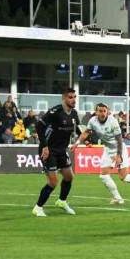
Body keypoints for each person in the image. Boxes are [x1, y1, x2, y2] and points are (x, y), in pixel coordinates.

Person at [71, 103, 130, 205]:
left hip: (119, 149)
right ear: (96, 112)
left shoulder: (112, 121)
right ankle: (118, 198)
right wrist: (76, 143)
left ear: (107, 111)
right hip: (107, 150)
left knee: (123, 177)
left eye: (104, 111)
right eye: (100, 111)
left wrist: (118, 155)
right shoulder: (92, 121)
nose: (103, 113)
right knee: (103, 176)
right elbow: (86, 132)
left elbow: (119, 139)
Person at [32, 88, 80, 217]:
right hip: (49, 150)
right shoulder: (55, 112)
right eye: (70, 97)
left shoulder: (74, 113)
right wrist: (44, 146)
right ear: (64, 98)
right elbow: (39, 126)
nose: (73, 99)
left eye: (74, 97)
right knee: (53, 181)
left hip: (62, 150)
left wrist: (85, 140)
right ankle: (38, 207)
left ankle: (62, 201)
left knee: (69, 176)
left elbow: (78, 130)